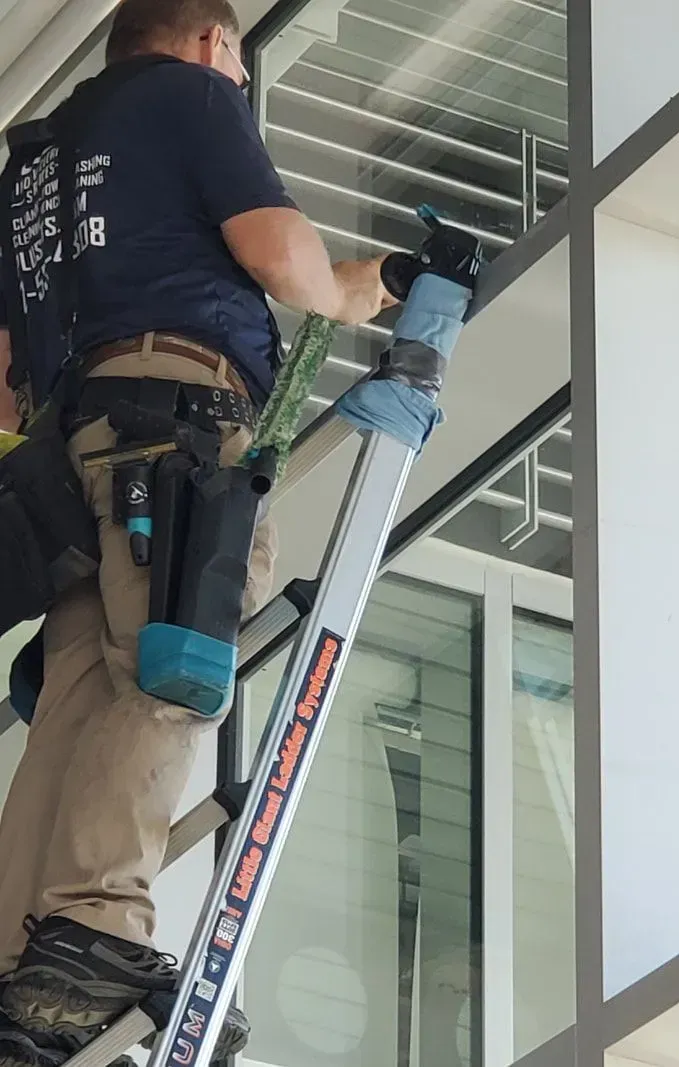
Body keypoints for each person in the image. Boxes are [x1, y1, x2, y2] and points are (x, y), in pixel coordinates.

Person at [0, 2, 394, 1065]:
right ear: (218, 44)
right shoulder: (194, 97)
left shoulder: (40, 165)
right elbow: (279, 256)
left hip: (77, 445)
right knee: (171, 669)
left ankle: (19, 962)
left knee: (82, 691)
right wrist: (320, 282)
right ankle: (91, 928)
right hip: (177, 418)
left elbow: (2, 366)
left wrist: (379, 287)